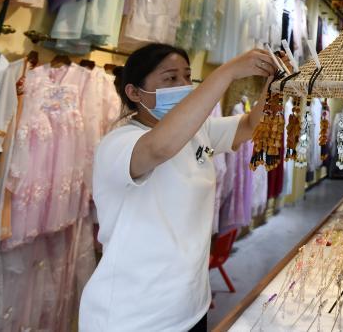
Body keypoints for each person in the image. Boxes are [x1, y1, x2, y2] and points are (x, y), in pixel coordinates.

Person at [78, 43, 277, 332]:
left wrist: (276, 86)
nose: (183, 86)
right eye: (171, 78)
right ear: (134, 93)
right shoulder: (117, 144)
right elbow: (159, 148)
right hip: (133, 318)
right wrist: (227, 73)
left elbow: (249, 126)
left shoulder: (198, 131)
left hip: (191, 307)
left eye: (187, 76)